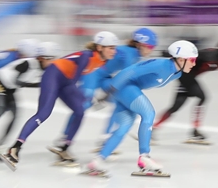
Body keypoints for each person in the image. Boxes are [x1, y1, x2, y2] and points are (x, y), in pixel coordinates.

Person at [0, 31, 118, 171]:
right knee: (43, 114)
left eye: (114, 48)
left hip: (65, 81)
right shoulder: (87, 56)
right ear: (99, 48)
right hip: (53, 76)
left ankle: (64, 148)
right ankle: (14, 149)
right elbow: (74, 80)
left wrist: (92, 98)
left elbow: (76, 81)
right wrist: (89, 98)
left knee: (80, 111)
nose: (114, 51)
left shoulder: (102, 60)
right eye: (110, 47)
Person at [82, 40, 199, 178]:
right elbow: (128, 72)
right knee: (149, 113)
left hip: (129, 90)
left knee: (124, 126)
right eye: (192, 60)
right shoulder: (161, 65)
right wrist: (111, 90)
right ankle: (144, 157)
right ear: (180, 59)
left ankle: (97, 161)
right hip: (124, 86)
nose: (194, 63)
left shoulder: (177, 73)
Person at [48, 27, 157, 165]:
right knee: (83, 105)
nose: (151, 50)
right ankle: (63, 139)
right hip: (92, 74)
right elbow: (128, 75)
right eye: (150, 46)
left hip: (104, 75)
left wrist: (108, 95)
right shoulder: (131, 53)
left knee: (119, 99)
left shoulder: (134, 53)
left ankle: (105, 138)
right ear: (140, 44)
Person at [0, 42, 60, 158]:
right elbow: (17, 81)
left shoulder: (42, 67)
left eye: (54, 59)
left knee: (15, 115)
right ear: (41, 58)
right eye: (50, 59)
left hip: (10, 88)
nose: (52, 62)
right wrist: (38, 84)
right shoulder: (27, 64)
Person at [153, 32, 218, 144]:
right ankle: (195, 131)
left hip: (187, 77)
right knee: (203, 97)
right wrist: (168, 54)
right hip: (185, 75)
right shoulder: (209, 54)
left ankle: (153, 129)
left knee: (175, 107)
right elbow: (188, 55)